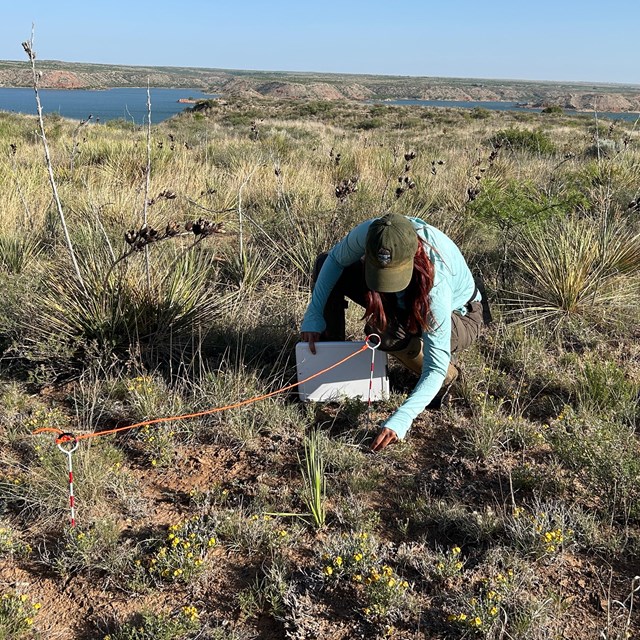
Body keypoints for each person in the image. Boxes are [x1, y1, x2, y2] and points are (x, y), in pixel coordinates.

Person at [300, 213, 490, 451]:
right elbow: (335, 261)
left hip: (461, 318)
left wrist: (402, 418)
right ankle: (328, 364)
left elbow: (434, 368)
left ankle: (449, 378)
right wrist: (314, 314)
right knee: (324, 261)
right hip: (404, 299)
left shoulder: (436, 285)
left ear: (413, 257)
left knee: (386, 333)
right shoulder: (372, 233)